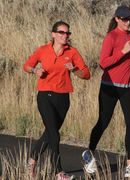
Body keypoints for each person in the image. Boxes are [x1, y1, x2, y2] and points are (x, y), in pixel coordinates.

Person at [82, 5, 130, 177]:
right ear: (117, 19)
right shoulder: (111, 37)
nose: (128, 21)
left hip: (129, 86)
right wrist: (123, 52)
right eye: (125, 19)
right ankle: (89, 152)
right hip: (109, 87)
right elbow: (104, 63)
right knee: (103, 122)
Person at [23, 20, 90, 180]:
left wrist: (74, 70)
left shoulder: (72, 52)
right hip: (45, 96)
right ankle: (59, 173)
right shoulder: (42, 50)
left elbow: (86, 74)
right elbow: (26, 65)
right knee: (54, 134)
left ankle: (31, 163)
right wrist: (35, 70)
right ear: (53, 34)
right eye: (61, 32)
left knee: (49, 134)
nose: (65, 35)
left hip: (63, 98)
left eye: (67, 33)